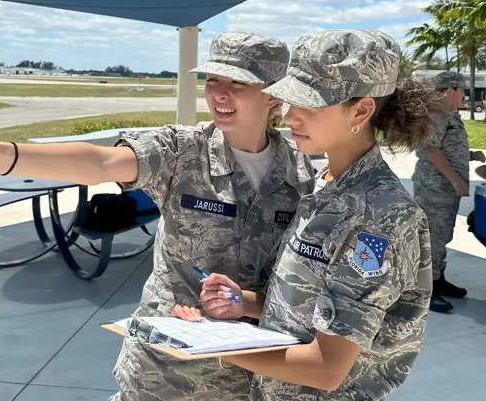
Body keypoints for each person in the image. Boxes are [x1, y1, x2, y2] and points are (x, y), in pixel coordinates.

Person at [0, 32, 315, 401]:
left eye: (238, 84)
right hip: (166, 373)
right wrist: (0, 156)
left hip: (253, 374)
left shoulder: (301, 174)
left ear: (273, 96)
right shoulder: (181, 150)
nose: (219, 94)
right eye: (212, 81)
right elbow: (102, 161)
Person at [172, 29, 438, 401]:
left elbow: (327, 368)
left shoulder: (380, 215)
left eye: (309, 104)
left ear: (361, 110)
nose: (291, 117)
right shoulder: (323, 183)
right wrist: (245, 302)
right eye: (290, 101)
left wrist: (200, 342)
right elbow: (314, 307)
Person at [411, 70, 486, 314]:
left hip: (445, 190)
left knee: (442, 236)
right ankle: (426, 292)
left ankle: (438, 279)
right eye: (462, 89)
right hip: (434, 189)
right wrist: (455, 181)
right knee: (431, 239)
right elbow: (430, 150)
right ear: (450, 89)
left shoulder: (449, 114)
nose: (464, 94)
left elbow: (447, 148)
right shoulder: (435, 114)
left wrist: (471, 156)